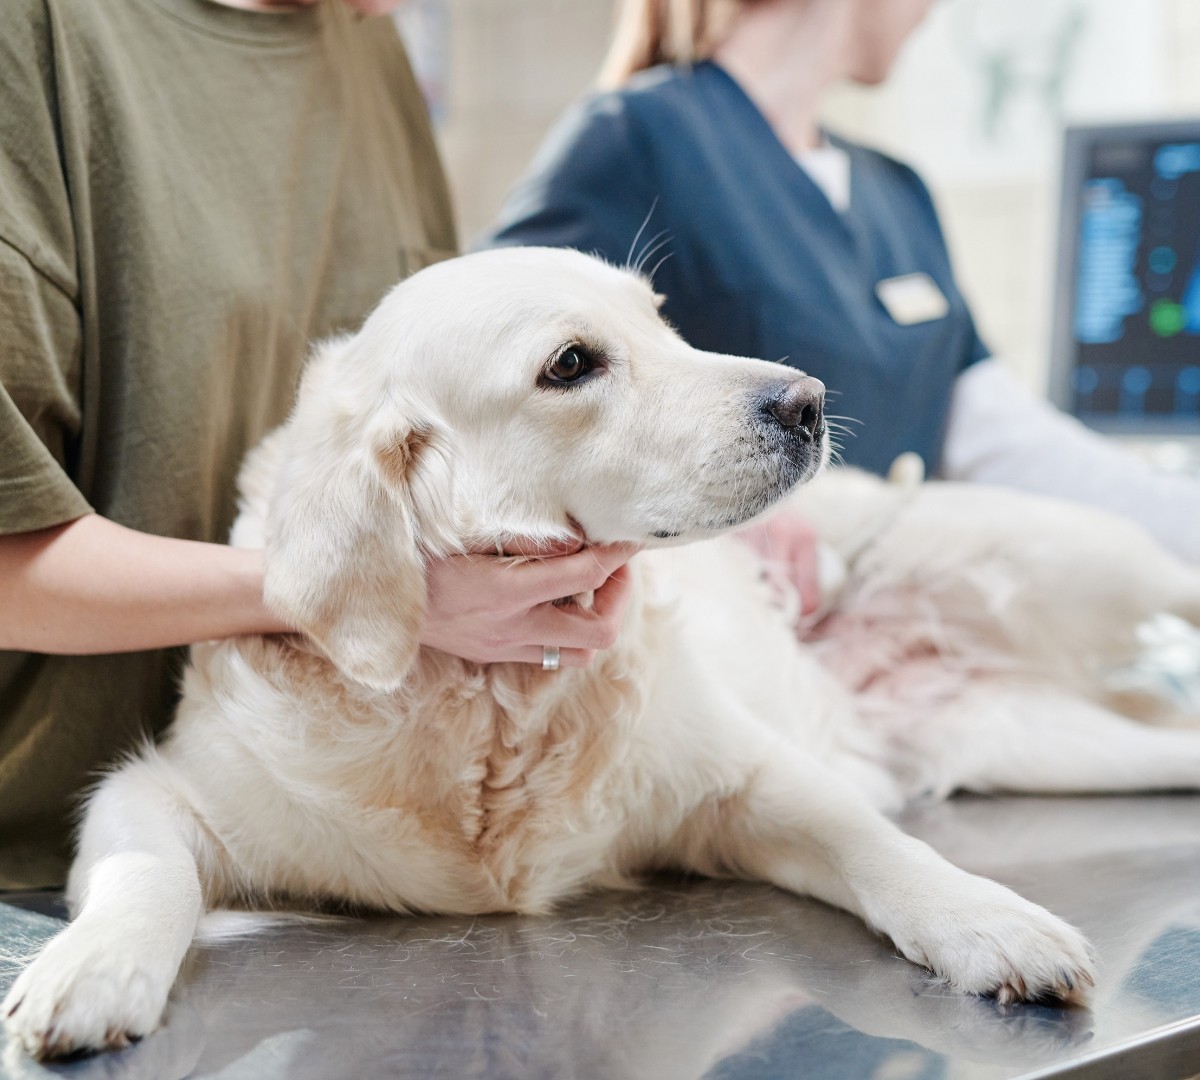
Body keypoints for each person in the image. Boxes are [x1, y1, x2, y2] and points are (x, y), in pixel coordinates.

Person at [0, 0, 633, 891]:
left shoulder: (366, 40)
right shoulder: (37, 41)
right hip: (60, 863)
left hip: (336, 827)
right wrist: (356, 592)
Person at [484, 0, 1200, 568]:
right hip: (740, 653)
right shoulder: (635, 139)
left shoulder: (899, 190)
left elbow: (1001, 439)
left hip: (891, 644)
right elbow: (476, 400)